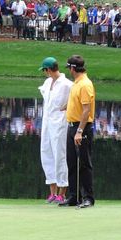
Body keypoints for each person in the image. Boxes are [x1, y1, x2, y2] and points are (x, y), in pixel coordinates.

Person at [59, 55, 95, 208]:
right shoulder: (77, 83)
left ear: (73, 68)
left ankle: (88, 198)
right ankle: (74, 196)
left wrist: (79, 131)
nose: (69, 71)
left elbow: (86, 110)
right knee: (72, 162)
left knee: (85, 164)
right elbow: (78, 103)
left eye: (69, 68)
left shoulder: (85, 84)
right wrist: (68, 107)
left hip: (82, 127)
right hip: (72, 126)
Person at [38, 57, 73, 204]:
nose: (44, 73)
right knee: (46, 154)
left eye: (45, 70)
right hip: (46, 122)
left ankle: (62, 192)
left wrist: (67, 107)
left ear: (49, 69)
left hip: (60, 123)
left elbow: (74, 98)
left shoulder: (67, 84)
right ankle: (52, 192)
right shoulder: (47, 82)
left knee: (60, 155)